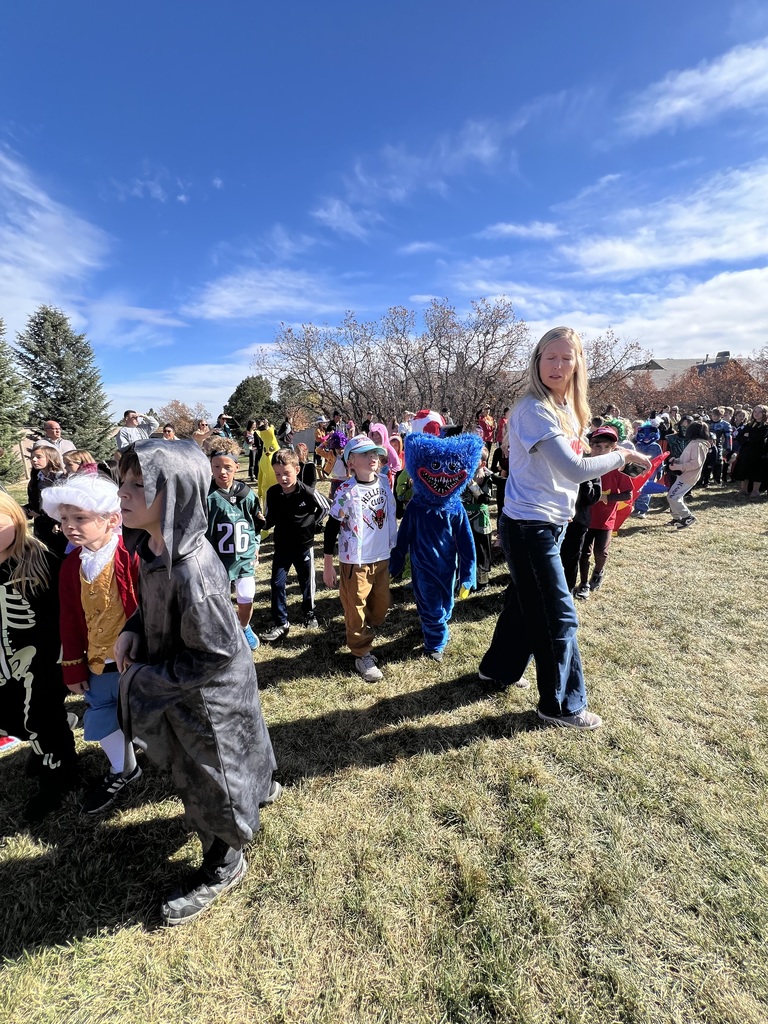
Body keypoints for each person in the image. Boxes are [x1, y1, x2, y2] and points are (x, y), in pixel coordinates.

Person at [115, 439, 279, 926]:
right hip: (183, 688)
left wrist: (147, 678)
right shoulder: (154, 546)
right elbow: (151, 605)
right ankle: (255, 793)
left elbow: (214, 652)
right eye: (122, 481)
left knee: (213, 774)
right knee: (220, 768)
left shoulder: (194, 573)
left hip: (208, 699)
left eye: (139, 485)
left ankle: (224, 862)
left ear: (179, 494)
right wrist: (131, 629)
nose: (122, 493)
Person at [478, 327, 651, 729]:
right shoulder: (532, 409)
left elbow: (573, 455)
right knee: (559, 615)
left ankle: (498, 670)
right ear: (537, 361)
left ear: (577, 364)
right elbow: (573, 468)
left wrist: (616, 453)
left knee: (525, 602)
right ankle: (561, 705)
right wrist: (620, 456)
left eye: (566, 358)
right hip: (529, 525)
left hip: (551, 521)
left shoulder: (566, 408)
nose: (557, 365)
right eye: (549, 357)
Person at [41, 469, 142, 814]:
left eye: (80, 517)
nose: (70, 525)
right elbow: (69, 619)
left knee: (149, 711)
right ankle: (123, 768)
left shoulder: (130, 555)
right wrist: (73, 665)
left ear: (111, 519)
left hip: (139, 658)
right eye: (65, 518)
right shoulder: (72, 567)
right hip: (99, 661)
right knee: (100, 714)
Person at [0, 493, 79, 821]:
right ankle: (41, 747)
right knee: (10, 715)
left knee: (40, 716)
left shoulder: (39, 562)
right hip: (4, 658)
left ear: (17, 520)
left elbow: (58, 618)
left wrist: (51, 662)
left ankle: (60, 776)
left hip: (41, 660)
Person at [323, 435, 396, 682]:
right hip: (356, 561)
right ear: (351, 461)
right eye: (365, 454)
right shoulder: (346, 490)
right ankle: (361, 652)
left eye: (374, 453)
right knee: (355, 608)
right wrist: (328, 564)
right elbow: (331, 526)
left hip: (382, 556)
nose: (373, 457)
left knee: (382, 606)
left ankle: (365, 629)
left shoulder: (385, 483)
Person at [261, 449, 329, 641]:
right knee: (277, 583)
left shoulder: (307, 491)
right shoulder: (273, 493)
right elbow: (269, 518)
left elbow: (326, 507)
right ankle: (281, 622)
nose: (282, 478)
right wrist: (261, 523)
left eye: (286, 473)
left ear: (297, 470)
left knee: (306, 582)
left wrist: (312, 523)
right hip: (281, 546)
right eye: (278, 474)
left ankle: (309, 612)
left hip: (303, 546)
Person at [205, 439, 265, 651]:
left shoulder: (246, 493)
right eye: (217, 467)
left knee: (247, 596)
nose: (222, 472)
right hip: (216, 558)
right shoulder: (207, 495)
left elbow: (257, 524)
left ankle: (244, 626)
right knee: (218, 600)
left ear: (237, 467)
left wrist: (256, 546)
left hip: (243, 557)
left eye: (227, 467)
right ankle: (224, 629)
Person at [575, 426, 632, 598]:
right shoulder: (583, 465)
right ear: (590, 446)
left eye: (607, 447)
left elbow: (627, 494)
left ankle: (598, 572)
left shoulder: (618, 468)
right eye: (597, 446)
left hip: (605, 518)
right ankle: (583, 583)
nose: (601, 451)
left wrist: (604, 498)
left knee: (601, 552)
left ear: (614, 448)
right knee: (583, 553)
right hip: (584, 518)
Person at [25, 442, 67, 556]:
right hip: (42, 527)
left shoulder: (60, 479)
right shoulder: (36, 479)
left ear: (51, 458)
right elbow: (34, 503)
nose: (34, 460)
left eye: (39, 457)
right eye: (32, 457)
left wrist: (58, 522)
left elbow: (64, 505)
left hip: (58, 528)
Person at [666, 421, 711, 527]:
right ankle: (677, 518)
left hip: (688, 477)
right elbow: (687, 458)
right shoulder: (694, 443)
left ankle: (687, 517)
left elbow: (696, 463)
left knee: (673, 496)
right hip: (684, 476)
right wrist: (676, 460)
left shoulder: (698, 445)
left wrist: (679, 467)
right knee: (675, 496)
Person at [731, 405, 768, 500]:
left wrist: (748, 437)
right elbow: (740, 437)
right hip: (746, 451)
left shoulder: (765, 426)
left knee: (757, 472)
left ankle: (755, 491)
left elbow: (760, 439)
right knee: (744, 470)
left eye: (759, 412)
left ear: (764, 414)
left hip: (759, 453)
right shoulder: (750, 424)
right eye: (755, 411)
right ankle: (744, 489)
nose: (756, 414)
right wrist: (748, 438)